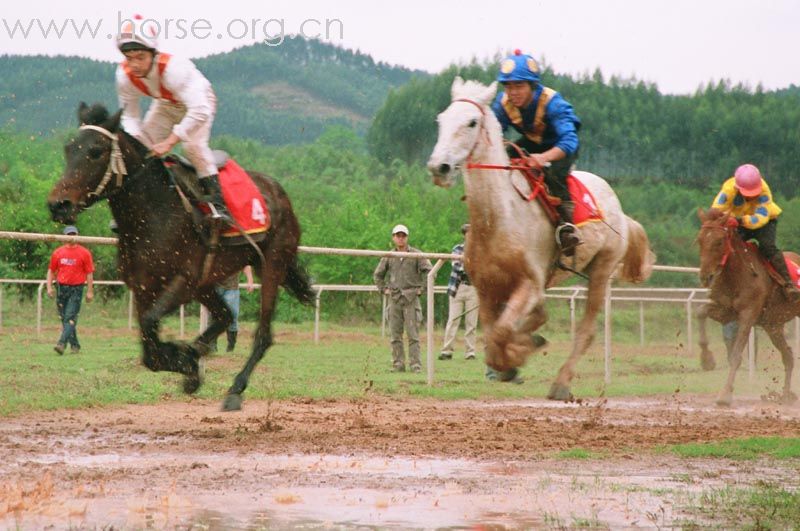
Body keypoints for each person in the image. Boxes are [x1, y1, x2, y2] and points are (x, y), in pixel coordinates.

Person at [115, 14, 230, 220]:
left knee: (192, 147)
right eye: (129, 58)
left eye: (140, 57)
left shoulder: (174, 69)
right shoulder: (124, 77)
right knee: (138, 148)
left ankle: (218, 206)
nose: (135, 65)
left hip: (199, 105)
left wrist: (169, 142)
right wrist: (137, 142)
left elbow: (199, 110)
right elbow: (130, 117)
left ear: (153, 54)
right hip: (166, 104)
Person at [491, 49, 582, 256]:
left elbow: (569, 140)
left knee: (555, 175)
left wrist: (543, 158)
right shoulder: (502, 103)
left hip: (560, 147)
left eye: (519, 86)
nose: (512, 92)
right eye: (508, 86)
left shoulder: (553, 102)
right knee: (500, 160)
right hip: (532, 143)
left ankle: (567, 228)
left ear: (533, 86)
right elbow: (494, 131)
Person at [711, 163, 800, 303]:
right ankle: (717, 277)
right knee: (726, 244)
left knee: (767, 247)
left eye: (753, 194)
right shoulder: (728, 189)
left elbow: (760, 218)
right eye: (747, 194)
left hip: (763, 222)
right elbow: (716, 208)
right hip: (737, 221)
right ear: (737, 188)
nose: (751, 197)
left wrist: (739, 221)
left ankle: (789, 283)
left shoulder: (764, 191)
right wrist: (722, 218)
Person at [373, 224, 432, 373]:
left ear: (407, 237)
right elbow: (378, 275)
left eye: (403, 236)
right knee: (395, 335)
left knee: (413, 335)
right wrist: (383, 289)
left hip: (411, 298)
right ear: (393, 238)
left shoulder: (417, 254)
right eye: (398, 236)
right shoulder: (389, 256)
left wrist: (422, 289)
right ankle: (398, 364)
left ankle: (415, 365)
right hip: (394, 299)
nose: (400, 238)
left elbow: (430, 272)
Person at [46, 226, 94, 355]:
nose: (71, 236)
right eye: (69, 234)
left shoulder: (84, 253)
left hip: (76, 289)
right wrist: (49, 287)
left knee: (69, 317)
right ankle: (75, 345)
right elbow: (51, 270)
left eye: (73, 234)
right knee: (65, 318)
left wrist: (90, 291)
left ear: (78, 235)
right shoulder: (58, 252)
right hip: (61, 287)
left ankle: (61, 344)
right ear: (64, 237)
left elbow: (89, 273)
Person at [439, 224, 479, 361]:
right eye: (468, 233)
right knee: (453, 319)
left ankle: (470, 352)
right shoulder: (457, 249)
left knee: (471, 323)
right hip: (458, 287)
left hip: (474, 288)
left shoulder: (481, 250)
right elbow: (458, 266)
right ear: (464, 235)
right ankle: (447, 350)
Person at [215, 266, 254, 352]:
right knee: (213, 316)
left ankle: (231, 346)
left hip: (231, 288)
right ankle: (212, 345)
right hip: (214, 285)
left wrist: (250, 281)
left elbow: (246, 266)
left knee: (232, 315)